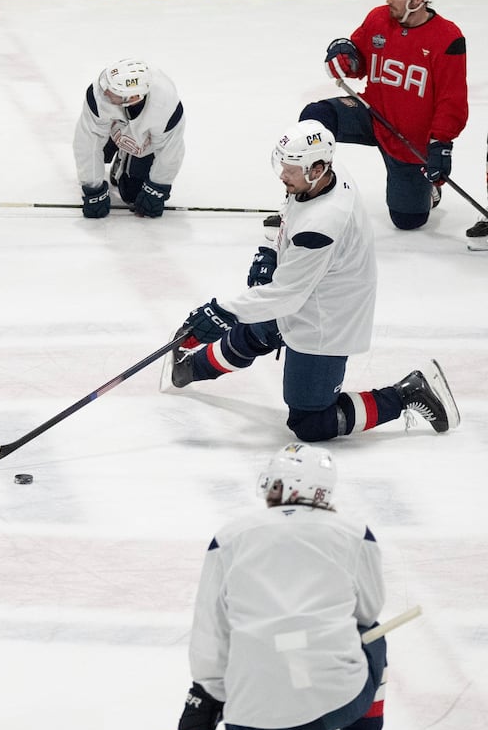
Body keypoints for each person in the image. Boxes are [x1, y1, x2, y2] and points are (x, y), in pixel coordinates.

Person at [177, 443, 394, 730]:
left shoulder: (230, 536)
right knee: (374, 639)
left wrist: (206, 694)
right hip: (340, 693)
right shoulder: (355, 531)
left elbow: (211, 628)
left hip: (258, 705)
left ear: (275, 485)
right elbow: (368, 611)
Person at [164, 120, 460, 442]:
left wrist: (221, 312)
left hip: (328, 317)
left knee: (310, 422)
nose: (282, 175)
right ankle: (191, 368)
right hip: (314, 286)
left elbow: (286, 296)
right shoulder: (323, 174)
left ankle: (407, 393)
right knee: (254, 331)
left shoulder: (323, 222)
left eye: (290, 170)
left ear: (317, 169)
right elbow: (289, 213)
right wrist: (271, 250)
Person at [307, 0, 468, 232]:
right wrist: (342, 58)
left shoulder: (448, 37)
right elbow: (357, 58)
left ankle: (426, 191)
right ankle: (312, 192)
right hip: (371, 113)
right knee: (316, 118)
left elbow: (452, 99)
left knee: (408, 221)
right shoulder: (378, 19)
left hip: (410, 139)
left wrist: (441, 142)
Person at [73, 58, 186, 218]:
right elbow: (87, 142)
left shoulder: (166, 106)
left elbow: (170, 151)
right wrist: (94, 189)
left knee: (131, 195)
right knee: (97, 151)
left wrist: (157, 188)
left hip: (144, 137)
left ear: (133, 98)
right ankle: (114, 142)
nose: (104, 92)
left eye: (113, 92)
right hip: (112, 124)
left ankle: (125, 154)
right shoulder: (98, 94)